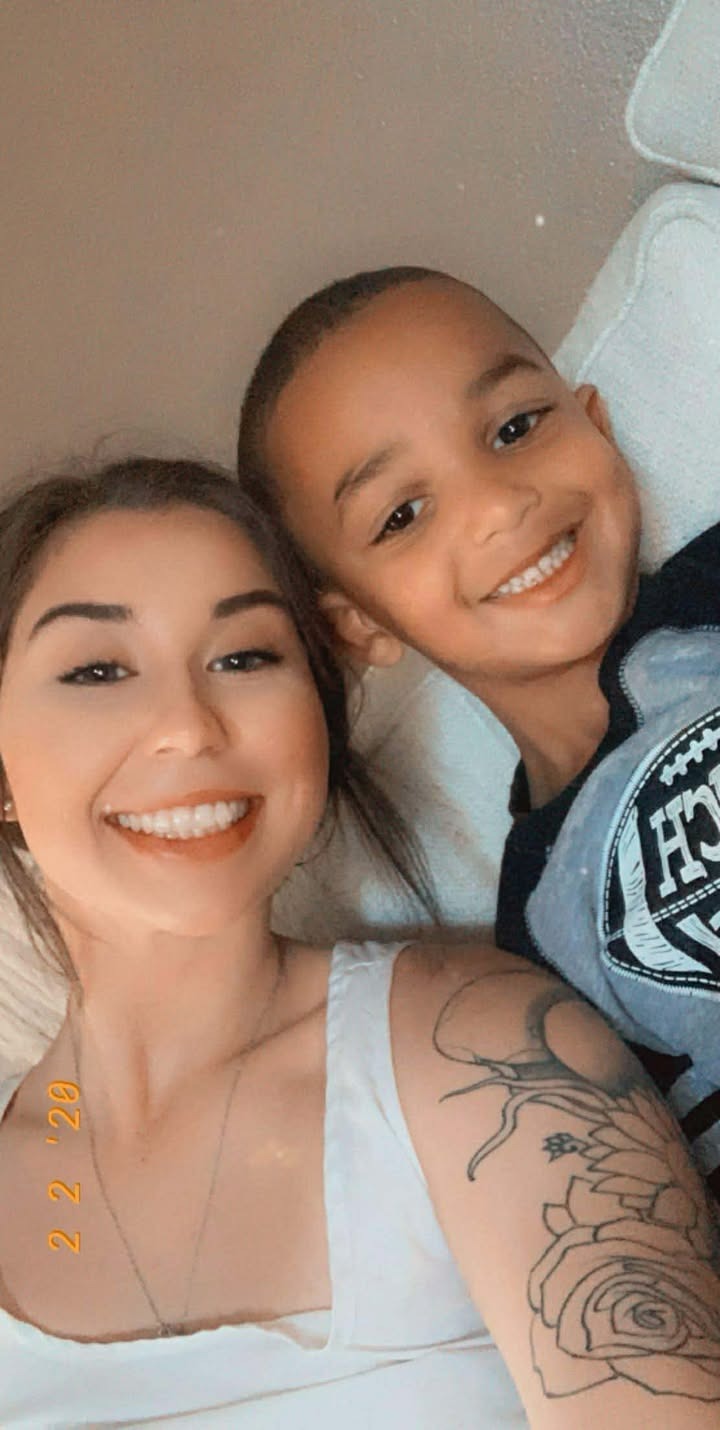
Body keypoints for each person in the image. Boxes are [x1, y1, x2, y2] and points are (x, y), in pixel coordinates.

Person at [1, 456, 718, 1427]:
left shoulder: (482, 1053)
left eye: (245, 656)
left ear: (320, 721)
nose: (186, 727)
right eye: (97, 670)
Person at [237, 265, 720, 1203]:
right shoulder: (534, 948)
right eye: (402, 515)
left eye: (515, 428)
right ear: (357, 625)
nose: (500, 505)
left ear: (596, 423)